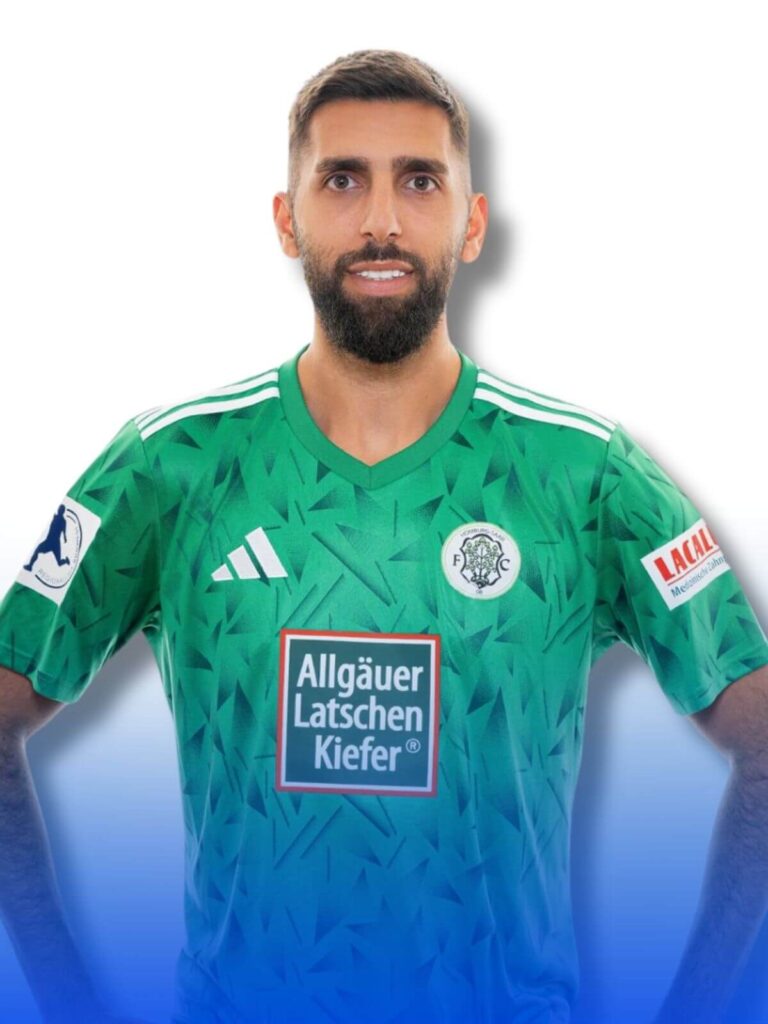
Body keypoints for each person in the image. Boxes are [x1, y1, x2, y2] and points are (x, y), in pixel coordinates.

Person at [1, 47, 767, 1024]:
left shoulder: (587, 474)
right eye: (341, 180)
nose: (380, 221)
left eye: (418, 181)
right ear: (286, 219)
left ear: (472, 223)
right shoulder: (170, 464)